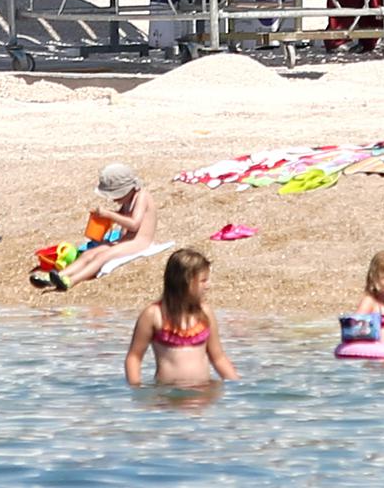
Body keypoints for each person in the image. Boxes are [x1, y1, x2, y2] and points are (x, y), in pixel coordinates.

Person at [31, 163, 158, 292]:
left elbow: (134, 224)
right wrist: (103, 218)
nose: (113, 199)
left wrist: (109, 214)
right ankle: (55, 277)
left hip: (140, 242)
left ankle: (70, 282)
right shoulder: (128, 199)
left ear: (127, 189)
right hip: (126, 240)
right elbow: (121, 216)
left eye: (115, 195)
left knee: (102, 256)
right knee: (88, 253)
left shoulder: (142, 196)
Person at [125, 248, 239, 387]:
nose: (208, 286)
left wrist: (237, 386)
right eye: (203, 281)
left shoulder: (204, 312)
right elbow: (134, 356)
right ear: (185, 281)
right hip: (168, 393)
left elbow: (218, 357)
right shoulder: (153, 314)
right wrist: (136, 388)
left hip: (203, 392)